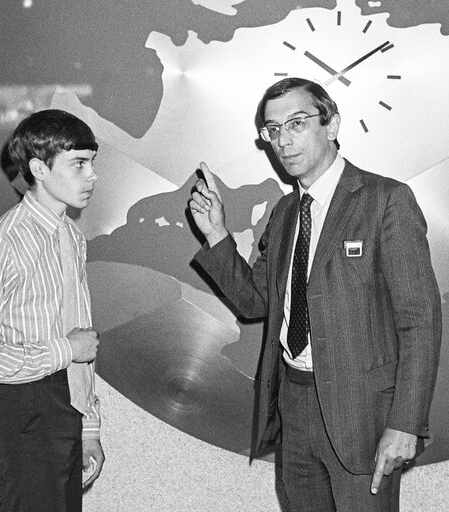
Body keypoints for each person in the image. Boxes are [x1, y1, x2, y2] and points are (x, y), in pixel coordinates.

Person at [189, 78, 441, 511]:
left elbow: (420, 320)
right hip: (295, 406)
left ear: (331, 125)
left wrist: (405, 423)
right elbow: (256, 302)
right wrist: (216, 234)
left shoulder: (386, 200)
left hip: (364, 416)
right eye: (272, 130)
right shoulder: (287, 211)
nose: (283, 141)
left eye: (297, 123)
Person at [0, 109, 105, 512]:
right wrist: (63, 350)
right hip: (22, 413)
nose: (91, 175)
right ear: (39, 168)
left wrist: (88, 425)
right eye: (78, 163)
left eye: (92, 162)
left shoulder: (71, 237)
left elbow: (79, 337)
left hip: (64, 407)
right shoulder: (2, 243)